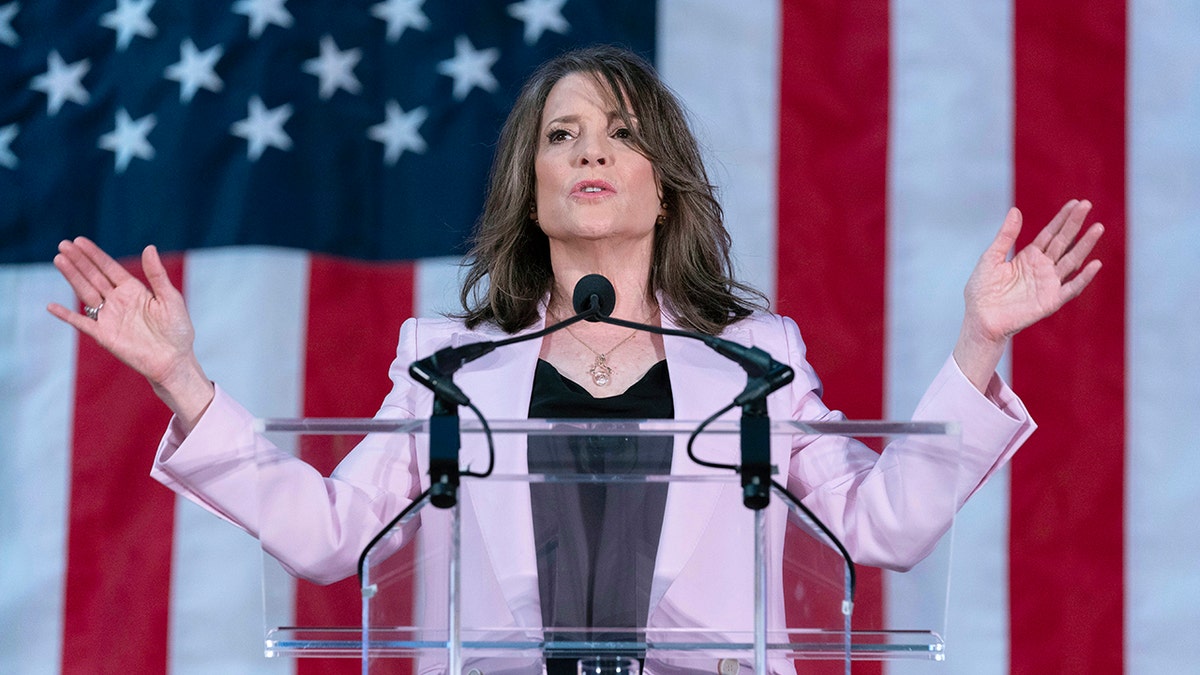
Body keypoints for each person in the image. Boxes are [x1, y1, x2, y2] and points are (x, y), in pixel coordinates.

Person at [47, 46, 1103, 674]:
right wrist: (180, 380)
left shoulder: (754, 364)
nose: (590, 151)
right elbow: (330, 541)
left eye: (619, 133)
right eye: (562, 135)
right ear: (532, 181)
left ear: (663, 185)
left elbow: (883, 528)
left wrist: (980, 344)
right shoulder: (448, 365)